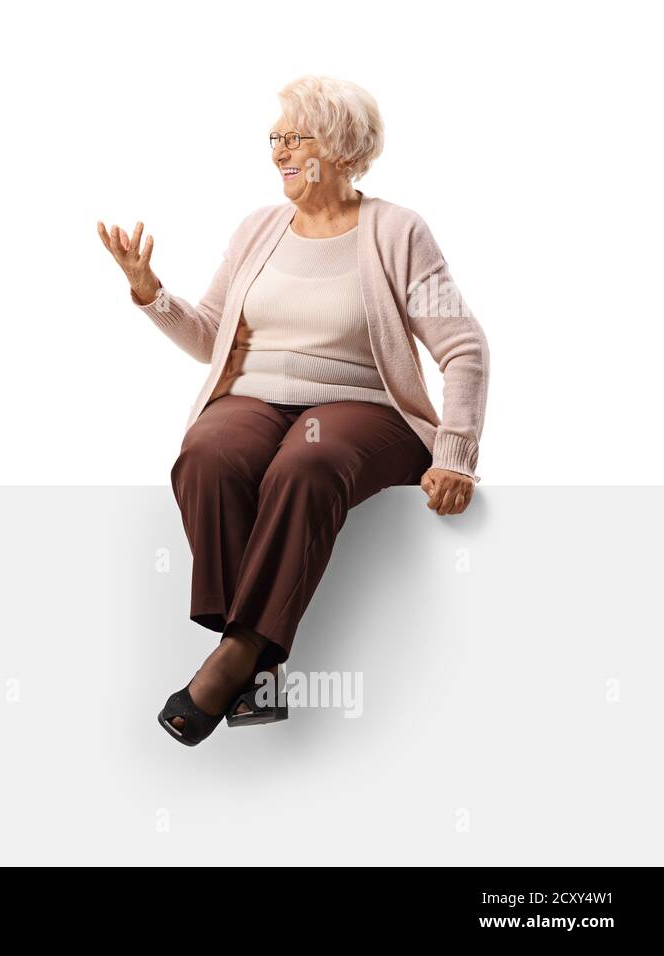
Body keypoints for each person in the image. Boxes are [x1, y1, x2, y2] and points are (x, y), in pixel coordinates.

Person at [97, 75, 489, 746]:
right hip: (255, 397)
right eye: (273, 138)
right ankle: (257, 660)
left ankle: (234, 657)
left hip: (364, 407)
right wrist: (150, 292)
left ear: (335, 147)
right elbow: (208, 334)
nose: (276, 151)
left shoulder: (397, 231)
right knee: (208, 454)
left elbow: (465, 346)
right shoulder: (259, 229)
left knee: (306, 463)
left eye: (290, 138)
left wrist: (456, 454)